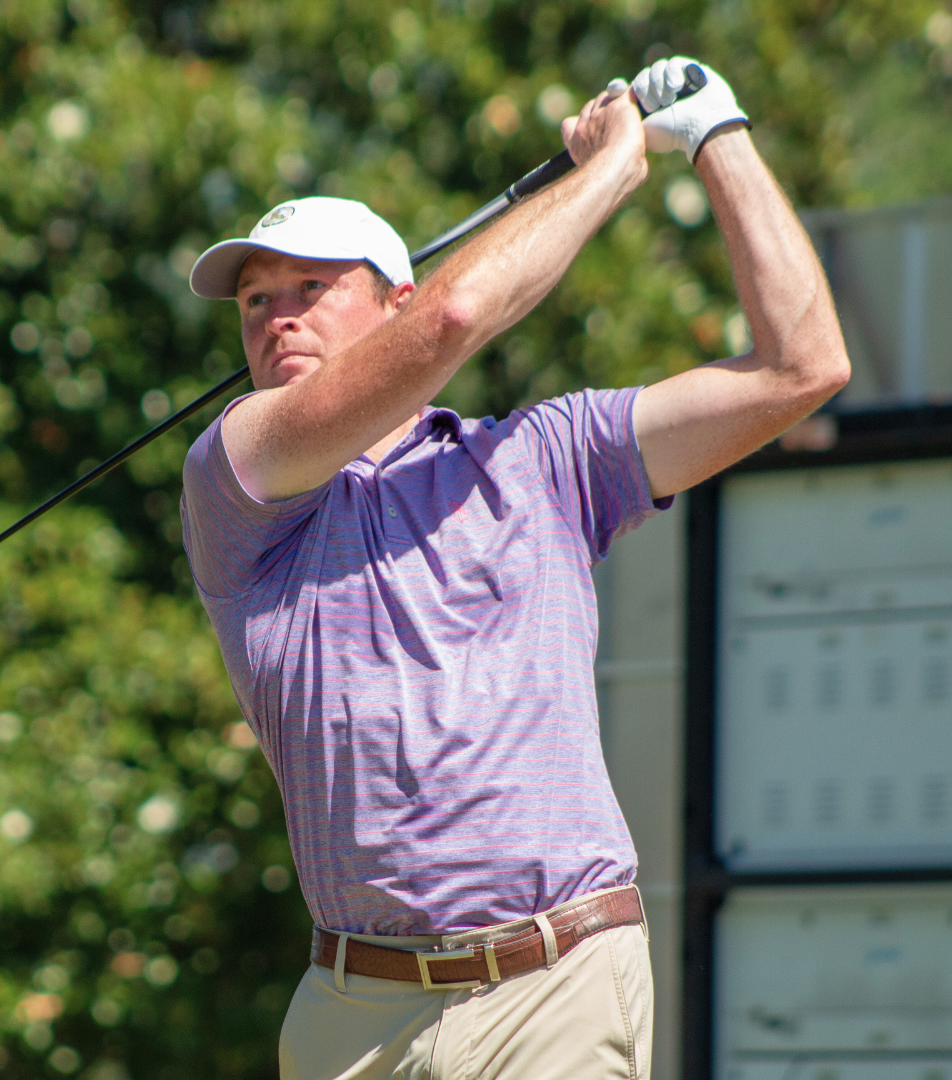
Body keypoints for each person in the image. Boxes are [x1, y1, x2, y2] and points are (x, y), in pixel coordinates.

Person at [180, 56, 849, 1080]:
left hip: (559, 984)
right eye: (256, 300)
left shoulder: (549, 457)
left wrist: (717, 134)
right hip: (354, 1013)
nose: (276, 318)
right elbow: (453, 319)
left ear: (390, 298)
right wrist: (617, 168)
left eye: (312, 288)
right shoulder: (237, 482)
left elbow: (801, 367)